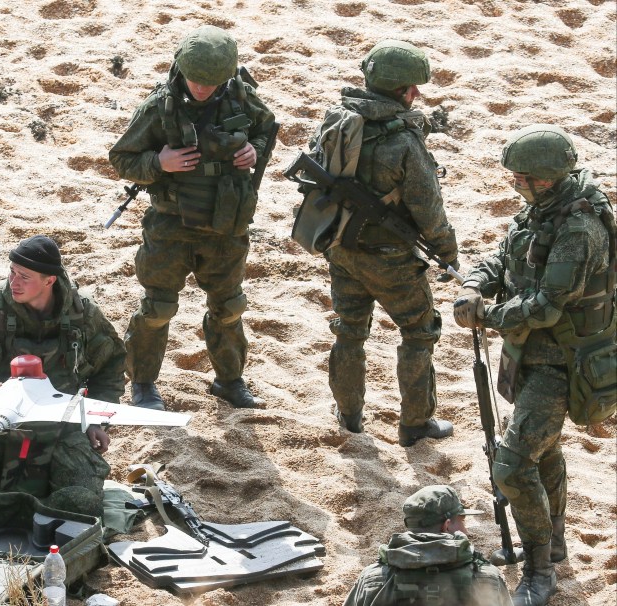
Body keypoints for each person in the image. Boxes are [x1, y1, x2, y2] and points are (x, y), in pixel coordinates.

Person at [454, 124, 615, 606]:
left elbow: (546, 306)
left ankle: (540, 571)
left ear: (547, 178)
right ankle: (557, 539)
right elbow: (503, 256)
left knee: (512, 465)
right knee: (542, 451)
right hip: (531, 356)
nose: (515, 186)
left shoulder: (578, 230)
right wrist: (474, 287)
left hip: (562, 366)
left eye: (522, 178)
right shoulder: (543, 208)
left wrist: (489, 315)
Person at [108, 25, 276, 411]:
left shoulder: (240, 98)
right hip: (171, 226)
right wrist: (159, 162)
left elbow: (267, 128)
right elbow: (122, 158)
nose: (202, 88)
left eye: (211, 82)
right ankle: (143, 384)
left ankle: (230, 381)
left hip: (225, 225)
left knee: (229, 306)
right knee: (158, 307)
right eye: (196, 80)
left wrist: (255, 149)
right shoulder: (158, 107)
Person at [311, 40, 458, 445]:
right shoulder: (405, 142)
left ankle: (350, 417)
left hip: (340, 246)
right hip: (391, 259)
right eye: (414, 87)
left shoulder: (336, 119)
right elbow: (429, 209)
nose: (418, 95)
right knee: (419, 331)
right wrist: (447, 252)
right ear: (402, 91)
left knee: (349, 331)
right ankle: (414, 424)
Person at [0, 235, 126, 517]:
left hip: (62, 423)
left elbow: (112, 366)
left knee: (80, 503)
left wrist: (95, 419)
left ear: (49, 280)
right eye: (12, 272)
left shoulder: (83, 316)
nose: (13, 282)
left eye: (24, 277)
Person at [343, 485, 513, 606]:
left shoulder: (372, 579)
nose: (466, 531)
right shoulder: (486, 578)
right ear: (446, 526)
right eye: (462, 521)